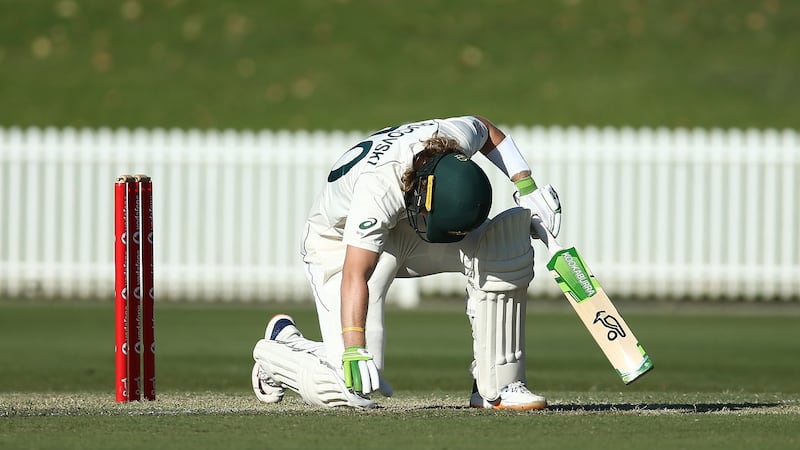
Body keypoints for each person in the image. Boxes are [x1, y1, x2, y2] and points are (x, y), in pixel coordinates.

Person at [251, 115, 561, 409]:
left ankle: (496, 386)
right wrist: (355, 348)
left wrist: (527, 187)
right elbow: (355, 274)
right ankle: (278, 350)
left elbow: (485, 127)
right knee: (348, 384)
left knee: (500, 246)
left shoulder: (455, 137)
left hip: (403, 228)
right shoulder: (377, 190)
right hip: (337, 246)